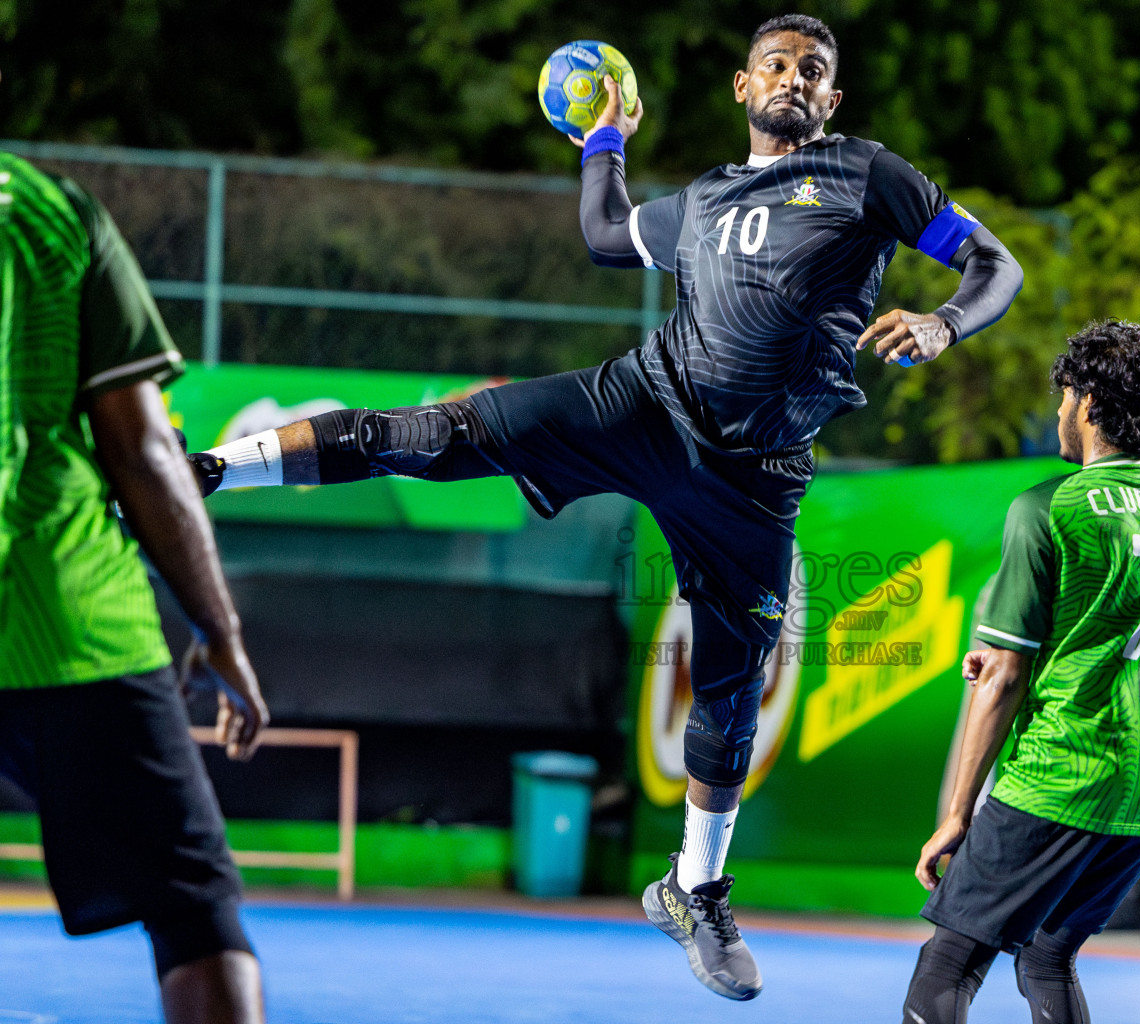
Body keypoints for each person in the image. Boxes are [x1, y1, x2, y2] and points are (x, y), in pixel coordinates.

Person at [183, 13, 1023, 1002]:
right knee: (438, 437)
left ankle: (694, 886)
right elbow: (603, 234)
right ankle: (210, 466)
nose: (794, 75)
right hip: (643, 405)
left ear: (832, 99)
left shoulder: (869, 176)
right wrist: (604, 142)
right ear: (743, 89)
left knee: (729, 688)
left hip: (753, 476)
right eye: (775, 63)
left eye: (814, 68)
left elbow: (994, 265)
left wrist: (942, 320)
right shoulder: (703, 198)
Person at [0, 152, 270, 1022]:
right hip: (71, 611)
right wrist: (219, 629)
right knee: (195, 915)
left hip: (72, 615)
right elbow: (142, 449)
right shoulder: (51, 213)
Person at [899, 321, 1140, 1024]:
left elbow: (1003, 677)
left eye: (1064, 395)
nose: (1056, 412)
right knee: (1049, 955)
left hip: (1062, 772)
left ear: (1087, 403)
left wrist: (956, 814)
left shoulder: (1050, 507)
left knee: (947, 966)